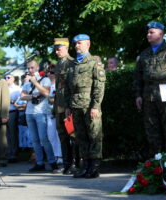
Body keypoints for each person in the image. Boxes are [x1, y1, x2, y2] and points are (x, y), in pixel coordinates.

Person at [133, 22, 166, 159]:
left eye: (152, 32)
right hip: (148, 95)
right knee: (152, 129)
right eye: (148, 32)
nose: (148, 35)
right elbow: (138, 76)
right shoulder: (144, 54)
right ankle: (155, 163)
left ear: (161, 34)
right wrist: (138, 95)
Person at [65, 34, 106, 178]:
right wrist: (68, 106)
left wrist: (95, 106)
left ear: (88, 44)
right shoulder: (71, 64)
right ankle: (85, 164)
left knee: (94, 135)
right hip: (75, 105)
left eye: (80, 43)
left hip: (89, 105)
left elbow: (99, 86)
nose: (77, 46)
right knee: (81, 136)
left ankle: (94, 167)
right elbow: (67, 88)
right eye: (75, 44)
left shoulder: (94, 62)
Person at [21, 60, 59, 173]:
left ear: (37, 68)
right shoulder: (27, 83)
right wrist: (34, 95)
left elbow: (46, 94)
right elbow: (22, 96)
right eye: (28, 68)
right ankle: (39, 163)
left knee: (44, 138)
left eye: (32, 68)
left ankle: (52, 162)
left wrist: (36, 83)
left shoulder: (45, 79)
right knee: (34, 140)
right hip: (29, 113)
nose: (30, 70)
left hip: (40, 112)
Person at [53, 37, 79, 174]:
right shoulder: (58, 64)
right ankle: (66, 164)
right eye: (55, 49)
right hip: (59, 106)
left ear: (67, 47)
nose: (57, 52)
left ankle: (75, 163)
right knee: (62, 136)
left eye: (59, 48)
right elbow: (58, 88)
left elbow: (72, 87)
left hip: (69, 106)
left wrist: (70, 106)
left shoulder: (72, 62)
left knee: (73, 136)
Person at [46, 64, 62, 164]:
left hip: (58, 112)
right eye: (49, 72)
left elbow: (55, 99)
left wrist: (49, 98)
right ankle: (54, 156)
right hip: (48, 114)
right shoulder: (46, 85)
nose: (49, 74)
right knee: (50, 136)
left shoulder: (59, 85)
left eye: (52, 72)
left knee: (58, 135)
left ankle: (60, 156)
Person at [4, 73, 22, 163]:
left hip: (13, 112)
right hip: (4, 112)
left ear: (13, 78)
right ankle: (8, 153)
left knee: (13, 134)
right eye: (5, 77)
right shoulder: (4, 88)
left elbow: (20, 101)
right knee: (5, 134)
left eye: (8, 77)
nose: (6, 79)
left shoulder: (17, 89)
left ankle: (14, 154)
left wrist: (11, 101)